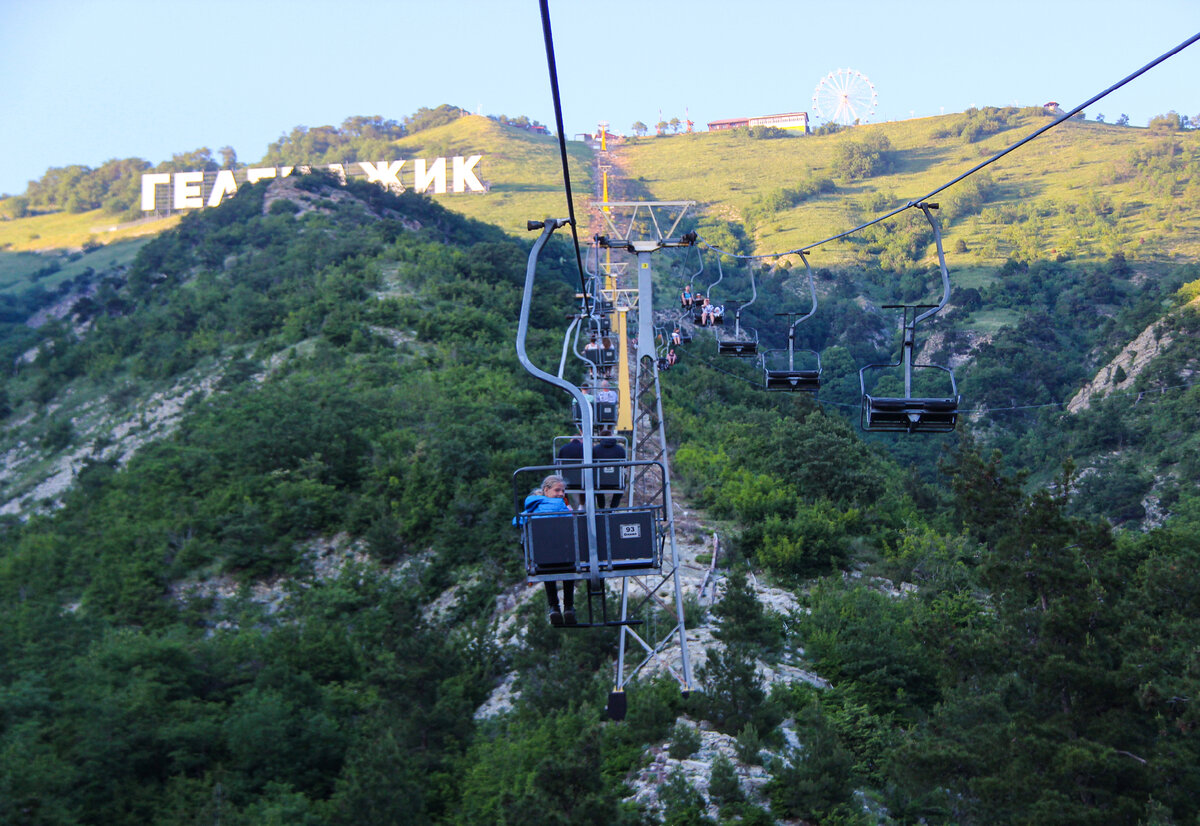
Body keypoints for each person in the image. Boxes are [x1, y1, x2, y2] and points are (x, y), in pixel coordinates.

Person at [514, 474, 577, 626]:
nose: (561, 494)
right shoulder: (560, 505)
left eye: (563, 491)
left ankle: (554, 607)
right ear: (546, 490)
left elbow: (517, 521)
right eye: (557, 490)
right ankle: (568, 606)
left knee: (547, 570)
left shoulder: (532, 507)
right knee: (569, 567)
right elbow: (573, 520)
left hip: (541, 559)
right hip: (564, 554)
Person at [593, 429, 626, 509]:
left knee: (596, 482)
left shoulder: (595, 449)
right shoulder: (620, 449)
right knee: (623, 483)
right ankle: (613, 507)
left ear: (600, 438)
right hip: (616, 481)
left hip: (600, 481)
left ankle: (601, 507)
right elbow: (625, 464)